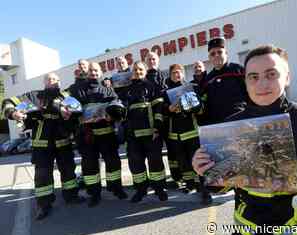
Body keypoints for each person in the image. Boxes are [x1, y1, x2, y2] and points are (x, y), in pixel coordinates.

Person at [192, 45, 297, 235]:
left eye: (271, 74)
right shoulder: (229, 128)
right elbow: (221, 185)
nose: (262, 84)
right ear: (246, 81)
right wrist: (205, 170)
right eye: (254, 77)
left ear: (287, 77)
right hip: (247, 234)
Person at [2, 73, 85, 220]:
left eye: (55, 80)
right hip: (42, 144)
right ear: (44, 83)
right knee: (42, 176)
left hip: (63, 141)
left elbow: (78, 113)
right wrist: (13, 113)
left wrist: (70, 117)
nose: (53, 82)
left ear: (59, 82)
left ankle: (71, 196)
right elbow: (8, 102)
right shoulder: (34, 96)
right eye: (49, 80)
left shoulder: (66, 96)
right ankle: (43, 205)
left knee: (68, 171)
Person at [66, 62, 127, 207]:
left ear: (101, 72)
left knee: (113, 163)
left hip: (107, 134)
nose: (93, 73)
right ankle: (94, 193)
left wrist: (111, 116)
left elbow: (116, 106)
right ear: (87, 73)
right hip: (88, 136)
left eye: (96, 70)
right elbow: (71, 110)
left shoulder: (108, 90)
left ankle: (116, 188)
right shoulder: (77, 90)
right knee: (89, 167)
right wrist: (76, 116)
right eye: (91, 71)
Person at [164, 64, 212, 204]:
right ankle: (190, 184)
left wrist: (194, 106)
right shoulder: (166, 93)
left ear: (183, 73)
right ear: (170, 75)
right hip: (176, 134)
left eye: (179, 72)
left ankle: (204, 189)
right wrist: (169, 109)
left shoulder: (193, 87)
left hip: (192, 131)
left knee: (199, 161)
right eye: (173, 73)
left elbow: (201, 108)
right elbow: (163, 112)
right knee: (183, 163)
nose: (176, 75)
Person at [125, 61, 168, 203]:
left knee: (155, 162)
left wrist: (157, 127)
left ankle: (159, 189)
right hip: (133, 135)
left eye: (141, 69)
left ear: (145, 70)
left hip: (151, 133)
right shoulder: (128, 89)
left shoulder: (152, 86)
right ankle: (141, 190)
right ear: (132, 72)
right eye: (135, 70)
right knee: (136, 164)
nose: (138, 72)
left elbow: (159, 109)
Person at [203, 37, 248, 125]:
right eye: (213, 54)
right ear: (209, 58)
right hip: (218, 125)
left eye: (219, 52)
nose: (216, 55)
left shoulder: (238, 70)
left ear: (226, 53)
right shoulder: (207, 79)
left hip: (241, 122)